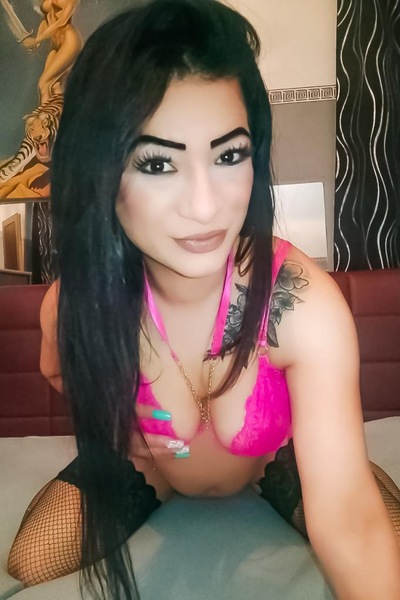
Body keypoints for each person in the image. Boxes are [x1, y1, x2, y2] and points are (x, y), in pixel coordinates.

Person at [7, 1, 400, 599]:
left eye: (229, 155)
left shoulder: (300, 306)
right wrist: (120, 422)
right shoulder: (76, 303)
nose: (205, 205)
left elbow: (350, 524)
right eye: (157, 162)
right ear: (100, 172)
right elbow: (58, 371)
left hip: (277, 462)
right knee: (29, 562)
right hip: (155, 470)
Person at [22, 0, 82, 105]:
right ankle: (58, 114)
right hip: (55, 43)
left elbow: (62, 21)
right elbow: (45, 20)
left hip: (69, 41)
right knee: (55, 86)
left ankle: (44, 115)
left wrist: (37, 40)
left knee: (43, 84)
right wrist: (37, 42)